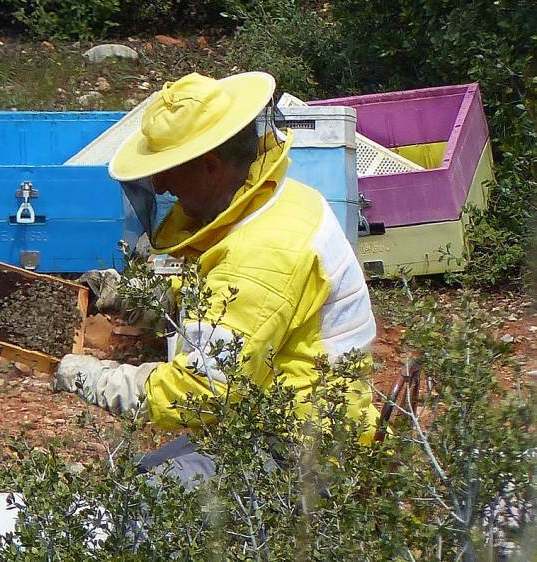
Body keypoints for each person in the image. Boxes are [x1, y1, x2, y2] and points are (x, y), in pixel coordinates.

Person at [54, 71, 379, 486]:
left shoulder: (264, 252)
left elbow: (201, 391)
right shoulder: (279, 200)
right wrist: (134, 296)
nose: (158, 183)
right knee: (142, 479)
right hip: (275, 422)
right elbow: (220, 298)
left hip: (306, 452)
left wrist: (93, 378)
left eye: (169, 169)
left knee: (144, 502)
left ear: (210, 167)